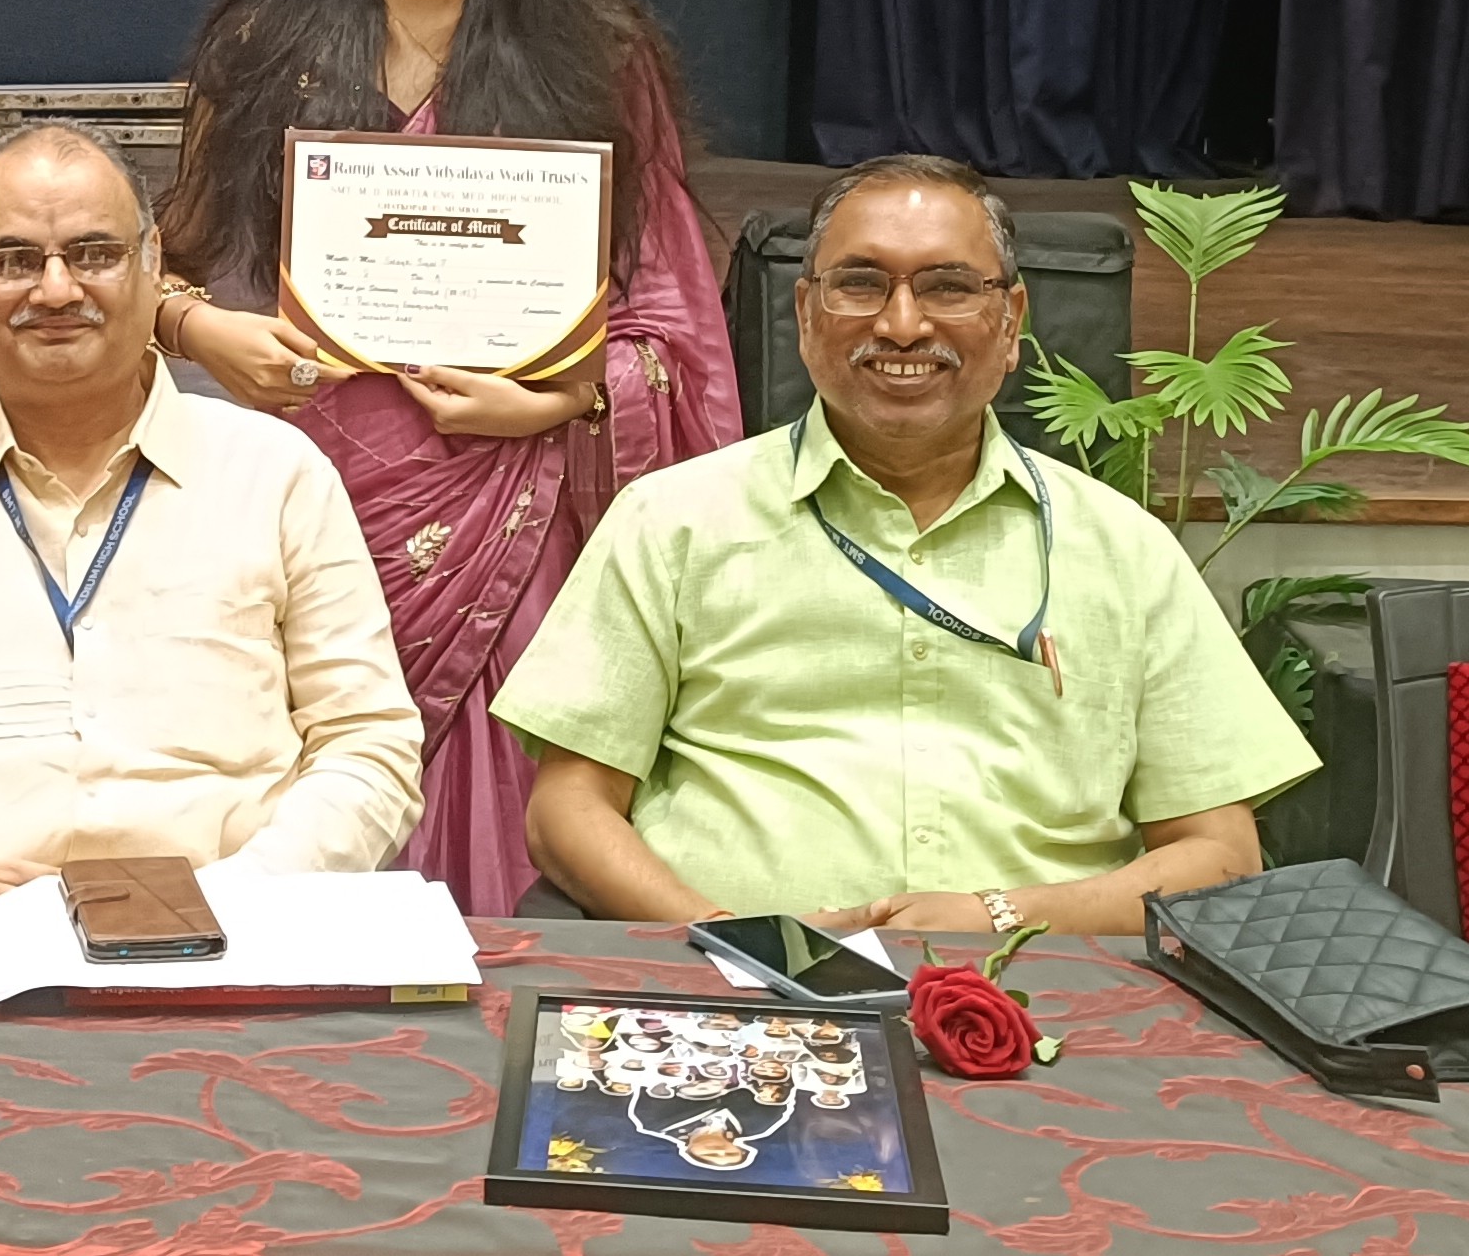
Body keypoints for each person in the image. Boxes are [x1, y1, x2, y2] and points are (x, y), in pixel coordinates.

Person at [156, 0, 741, 917]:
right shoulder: (266, 42)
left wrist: (561, 401)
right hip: (313, 511)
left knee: (509, 864)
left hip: (519, 534)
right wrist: (201, 329)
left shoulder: (594, 52)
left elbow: (671, 324)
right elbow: (157, 265)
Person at [496, 154, 1320, 933]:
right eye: (860, 283)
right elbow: (566, 812)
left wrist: (999, 918)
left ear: (1012, 321)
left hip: (1044, 993)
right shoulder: (672, 520)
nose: (900, 324)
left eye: (948, 287)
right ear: (804, 313)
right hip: (734, 995)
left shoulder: (1125, 550)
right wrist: (738, 944)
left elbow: (1219, 855)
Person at [0, 121, 425, 908]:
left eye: (94, 254)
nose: (56, 290)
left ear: (153, 264)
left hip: (238, 941)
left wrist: (244, 896)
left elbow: (370, 744)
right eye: (13, 261)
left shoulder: (276, 476)